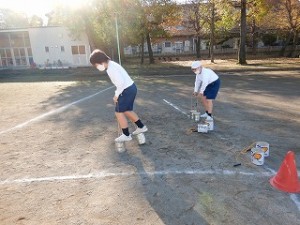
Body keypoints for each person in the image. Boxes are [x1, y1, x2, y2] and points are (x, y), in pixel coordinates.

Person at [89, 49, 148, 142]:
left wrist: (116, 95)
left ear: (100, 61)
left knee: (118, 112)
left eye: (96, 65)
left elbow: (120, 83)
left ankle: (126, 135)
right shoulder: (111, 64)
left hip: (126, 90)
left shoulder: (111, 68)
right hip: (131, 88)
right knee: (127, 110)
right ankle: (141, 127)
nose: (97, 67)